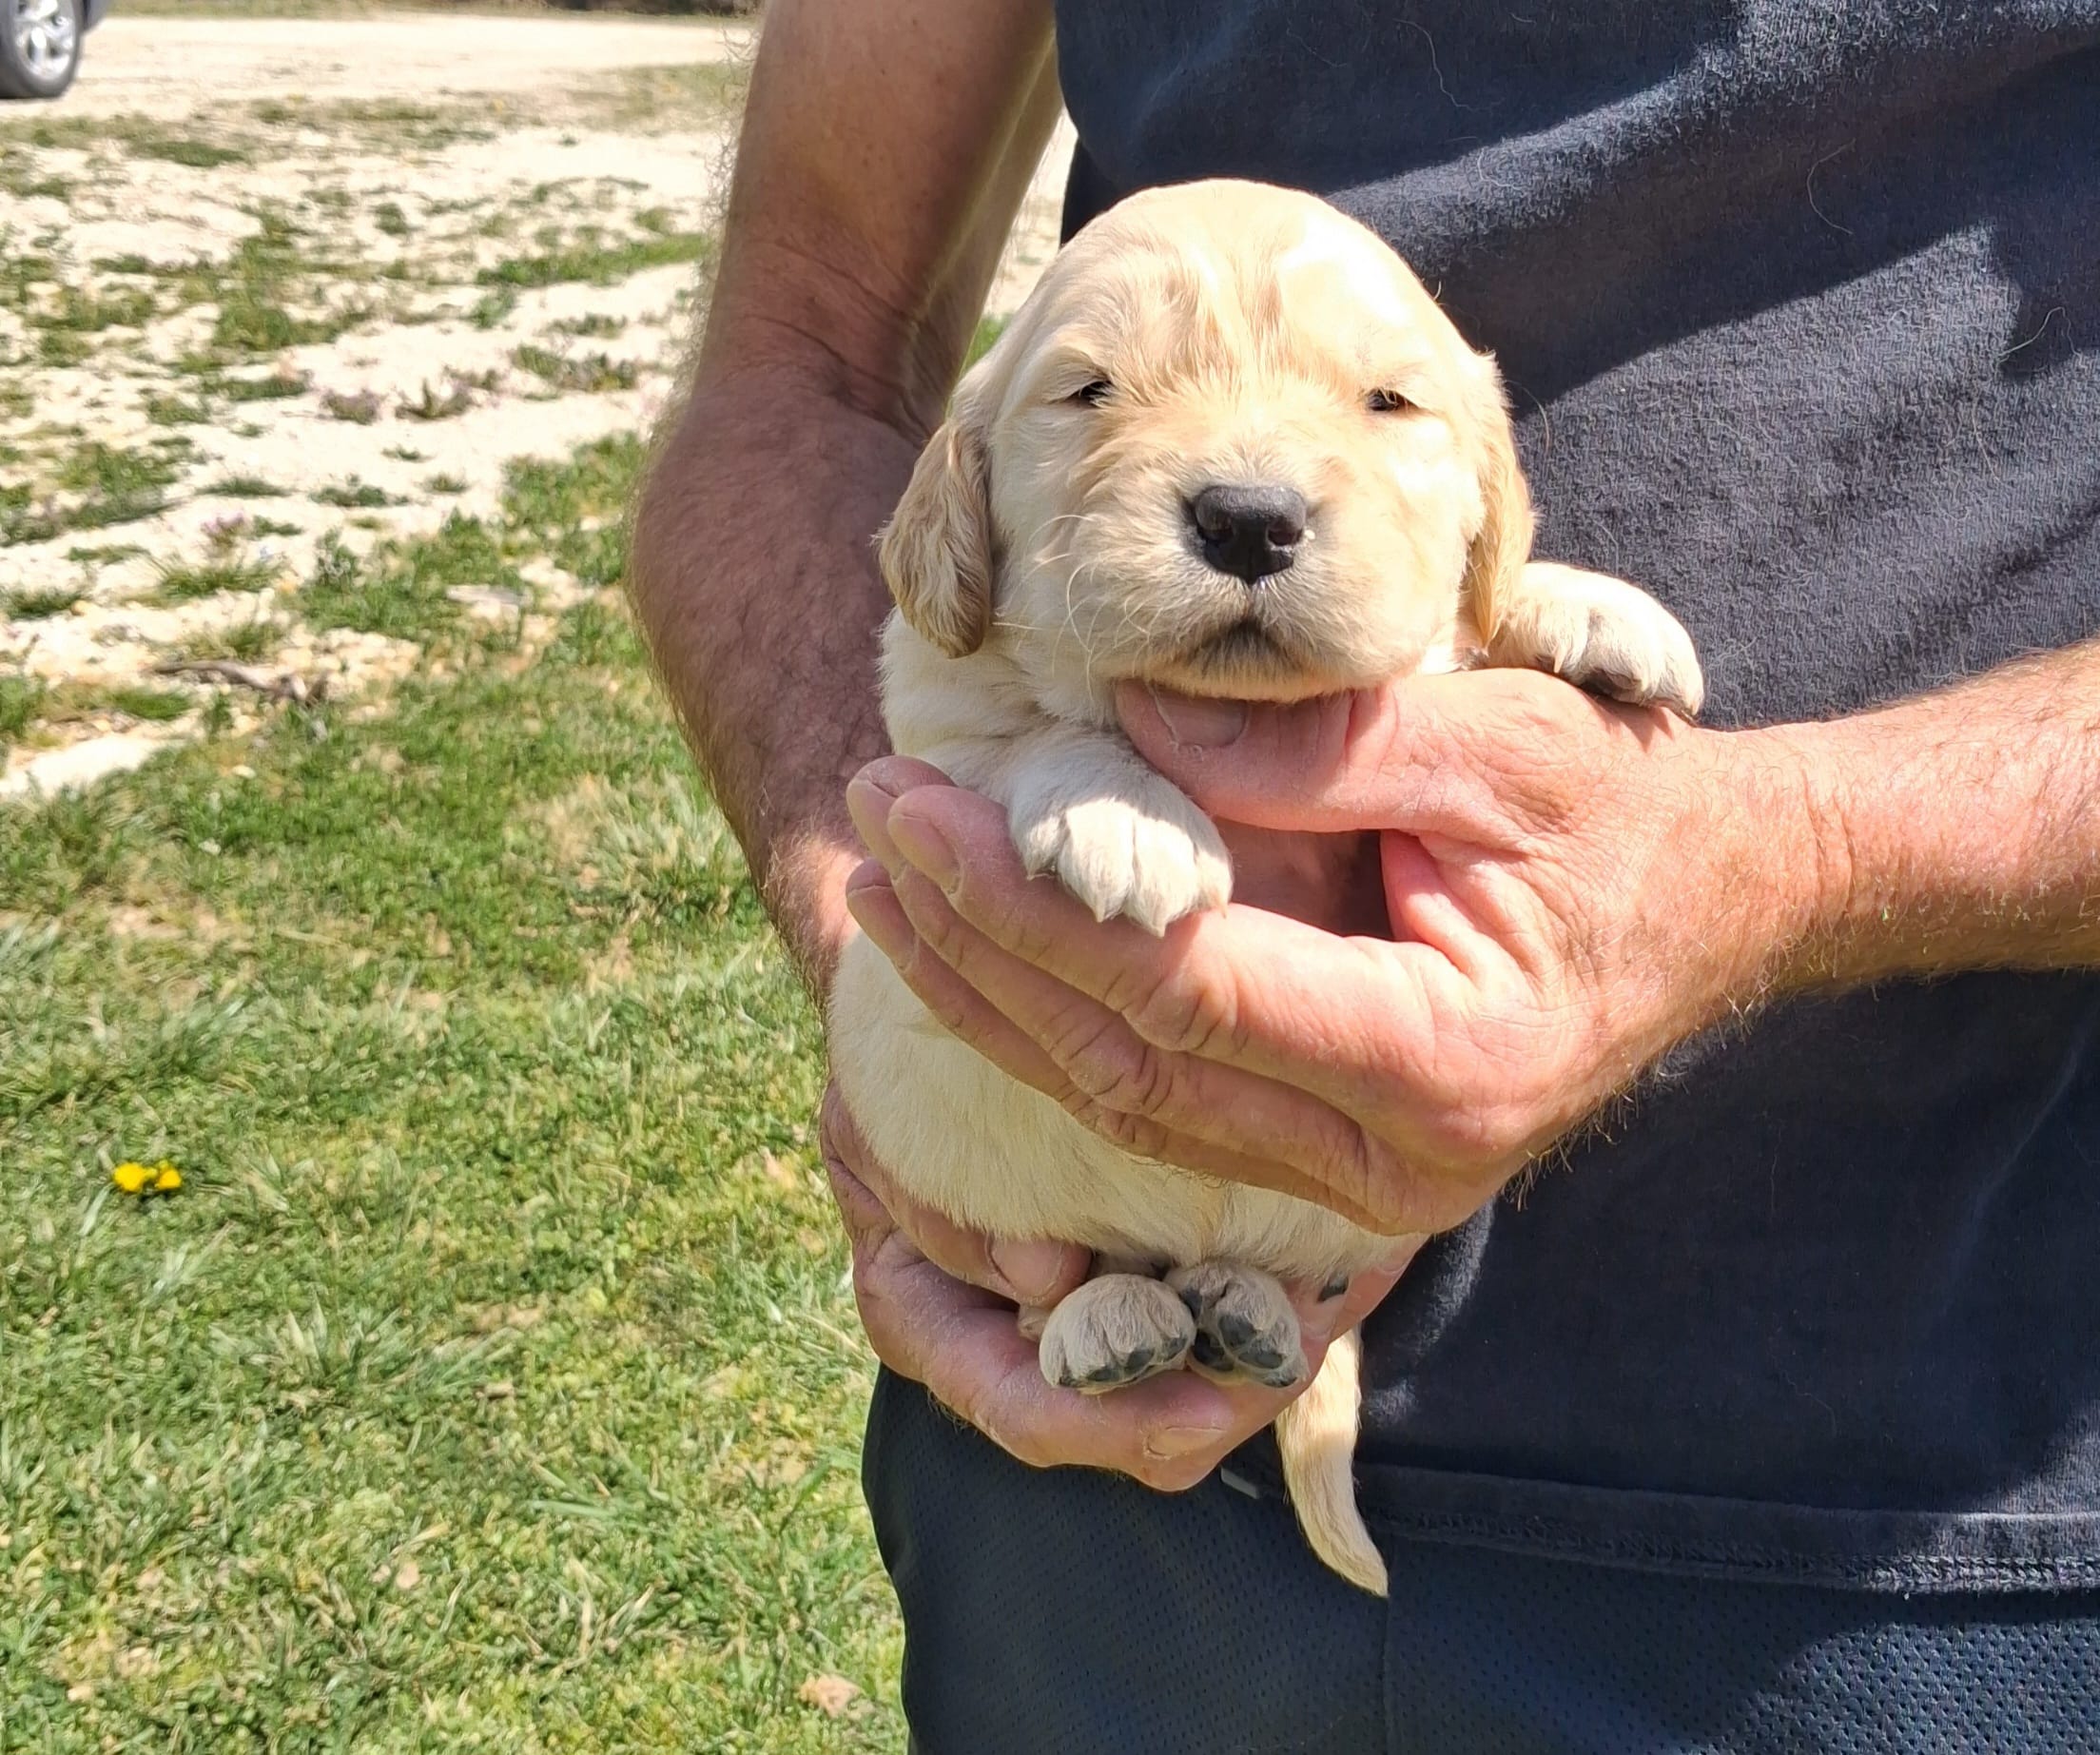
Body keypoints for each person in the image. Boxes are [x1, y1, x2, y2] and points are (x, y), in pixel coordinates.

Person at [632, 1, 2100, 1746]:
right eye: (1097, 394)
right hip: (1082, 1472)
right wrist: (922, 959)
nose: (1248, 475)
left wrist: (1805, 853)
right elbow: (802, 343)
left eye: (1387, 403)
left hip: (1937, 1482)